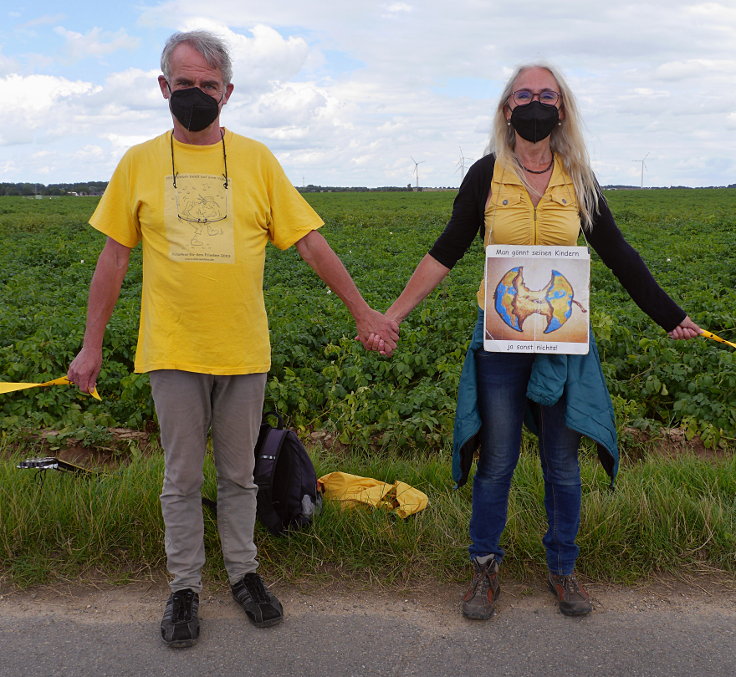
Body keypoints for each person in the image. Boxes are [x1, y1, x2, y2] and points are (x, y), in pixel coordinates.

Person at [67, 30, 399, 648]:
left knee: (241, 476)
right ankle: (185, 587)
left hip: (243, 351)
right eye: (184, 85)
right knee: (181, 477)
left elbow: (309, 242)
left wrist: (363, 311)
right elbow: (112, 259)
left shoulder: (257, 161)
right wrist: (92, 345)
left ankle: (244, 575)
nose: (195, 96)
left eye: (208, 87)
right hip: (171, 350)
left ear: (228, 93)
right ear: (164, 88)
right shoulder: (138, 162)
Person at [368, 63, 701, 619]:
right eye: (524, 95)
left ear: (562, 109)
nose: (536, 104)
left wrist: (670, 315)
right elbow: (446, 249)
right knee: (497, 459)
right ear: (507, 110)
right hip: (500, 338)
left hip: (564, 340)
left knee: (562, 464)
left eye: (547, 95)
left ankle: (564, 569)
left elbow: (618, 254)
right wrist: (392, 315)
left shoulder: (580, 178)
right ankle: (484, 568)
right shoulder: (484, 175)